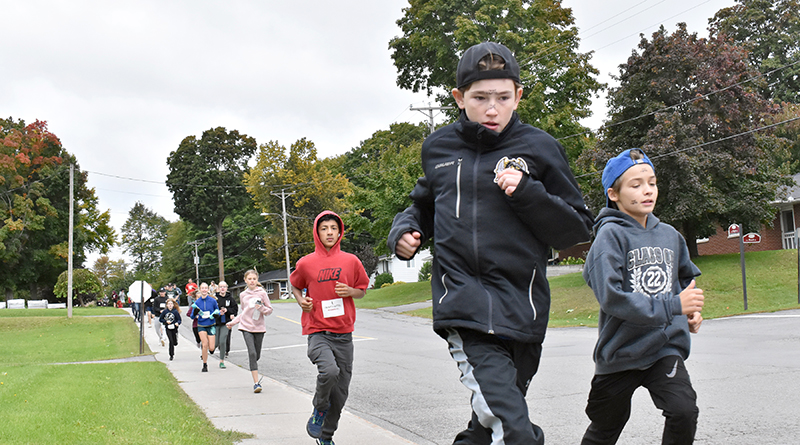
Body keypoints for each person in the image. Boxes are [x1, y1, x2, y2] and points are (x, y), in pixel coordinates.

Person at [387, 41, 594, 444]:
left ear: (518, 96)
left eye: (502, 97)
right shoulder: (439, 148)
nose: (492, 109)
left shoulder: (541, 148)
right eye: (480, 98)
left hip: (523, 309)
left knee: (487, 426)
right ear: (459, 97)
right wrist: (405, 231)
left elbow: (576, 230)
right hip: (464, 305)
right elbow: (422, 207)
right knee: (513, 428)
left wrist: (528, 192)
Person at [580, 148, 704, 445]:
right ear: (613, 194)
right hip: (620, 352)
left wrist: (690, 311)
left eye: (652, 183)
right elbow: (612, 297)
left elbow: (683, 280)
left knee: (683, 411)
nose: (647, 190)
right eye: (636, 185)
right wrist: (673, 305)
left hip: (664, 347)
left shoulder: (670, 235)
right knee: (605, 429)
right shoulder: (610, 236)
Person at [290, 211, 370, 445]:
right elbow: (295, 285)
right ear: (317, 232)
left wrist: (351, 291)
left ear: (340, 231)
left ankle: (325, 437)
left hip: (344, 335)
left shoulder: (351, 261)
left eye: (333, 228)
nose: (329, 233)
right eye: (324, 228)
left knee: (341, 393)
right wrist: (301, 301)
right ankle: (319, 408)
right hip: (318, 332)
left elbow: (362, 290)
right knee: (329, 372)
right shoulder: (306, 263)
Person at [227, 271, 273, 392]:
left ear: (257, 280)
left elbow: (269, 310)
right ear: (245, 280)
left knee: (256, 355)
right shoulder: (243, 295)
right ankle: (256, 383)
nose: (252, 281)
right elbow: (243, 313)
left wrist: (261, 308)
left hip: (259, 328)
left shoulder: (262, 293)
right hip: (246, 327)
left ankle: (253, 365)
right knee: (252, 353)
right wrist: (232, 322)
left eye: (254, 279)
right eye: (249, 279)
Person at [190, 282, 219, 373]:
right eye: (202, 288)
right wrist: (195, 313)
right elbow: (192, 316)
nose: (204, 290)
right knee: (204, 344)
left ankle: (211, 350)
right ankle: (205, 364)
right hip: (201, 325)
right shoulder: (197, 302)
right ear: (200, 289)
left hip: (211, 325)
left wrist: (216, 315)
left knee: (211, 347)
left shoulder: (212, 301)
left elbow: (217, 310)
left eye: (206, 288)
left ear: (208, 290)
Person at [214, 281, 238, 369]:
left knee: (223, 340)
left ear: (227, 288)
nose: (222, 288)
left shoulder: (230, 299)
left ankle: (222, 360)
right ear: (218, 288)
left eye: (224, 287)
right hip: (216, 322)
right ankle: (210, 349)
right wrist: (218, 312)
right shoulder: (215, 298)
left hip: (226, 323)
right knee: (215, 343)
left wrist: (228, 311)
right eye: (221, 287)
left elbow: (235, 309)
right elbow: (211, 310)